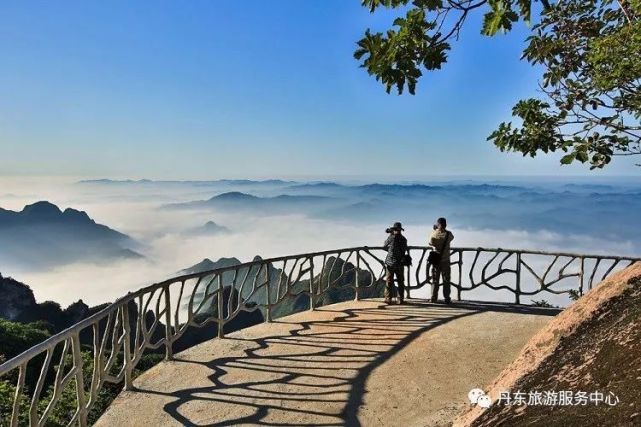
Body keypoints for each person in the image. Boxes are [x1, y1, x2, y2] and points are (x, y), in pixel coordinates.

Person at [429, 217, 454, 304]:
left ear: (438, 225)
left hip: (436, 260)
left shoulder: (434, 235)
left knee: (435, 280)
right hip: (446, 260)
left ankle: (433, 297)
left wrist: (435, 230)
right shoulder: (449, 234)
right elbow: (452, 237)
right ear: (445, 225)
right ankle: (447, 298)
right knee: (446, 280)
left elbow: (430, 242)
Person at [383, 222, 408, 305]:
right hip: (400, 263)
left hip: (390, 263)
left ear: (394, 230)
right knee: (400, 281)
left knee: (389, 281)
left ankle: (388, 298)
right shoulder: (404, 239)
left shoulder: (391, 238)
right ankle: (400, 299)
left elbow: (384, 245)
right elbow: (404, 250)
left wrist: (390, 235)